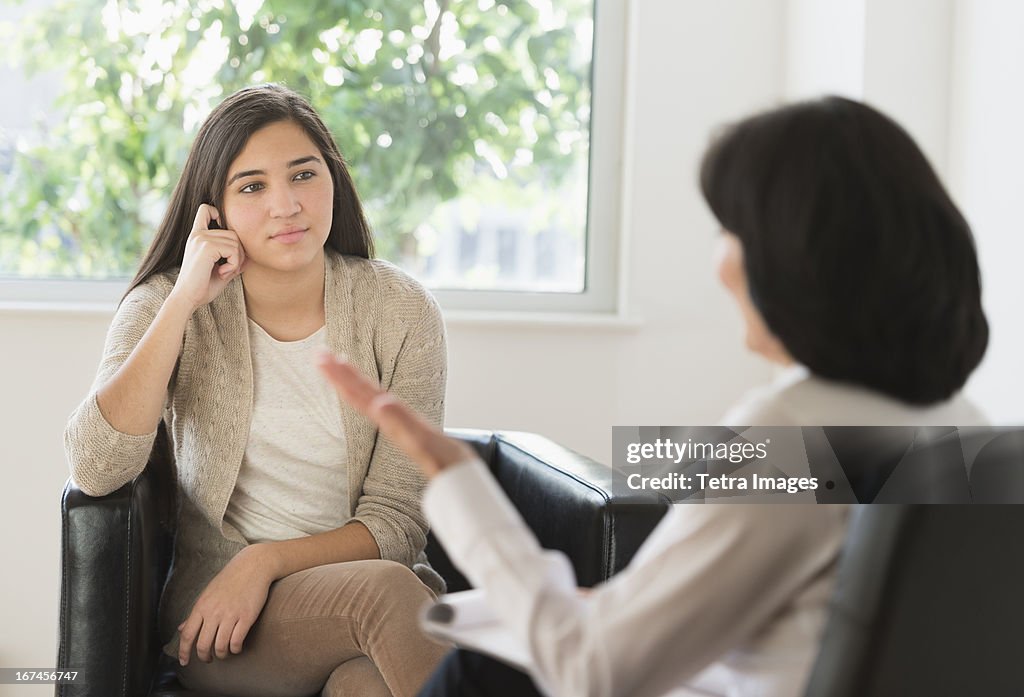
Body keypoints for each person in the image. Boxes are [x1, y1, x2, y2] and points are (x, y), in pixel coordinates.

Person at [318, 96, 989, 697]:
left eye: (731, 231)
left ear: (795, 258)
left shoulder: (789, 436)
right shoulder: (964, 428)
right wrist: (620, 607)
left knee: (495, 662)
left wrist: (458, 477)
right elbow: (815, 637)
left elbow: (591, 674)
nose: (721, 262)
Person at [64, 83, 449, 697]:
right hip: (227, 626)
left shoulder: (399, 310)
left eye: (303, 175)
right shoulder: (167, 304)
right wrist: (184, 300)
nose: (286, 205)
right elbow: (97, 467)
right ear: (210, 210)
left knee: (367, 687)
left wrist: (265, 561)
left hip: (366, 604)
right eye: (252, 187)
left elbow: (398, 521)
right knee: (385, 594)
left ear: (334, 180)